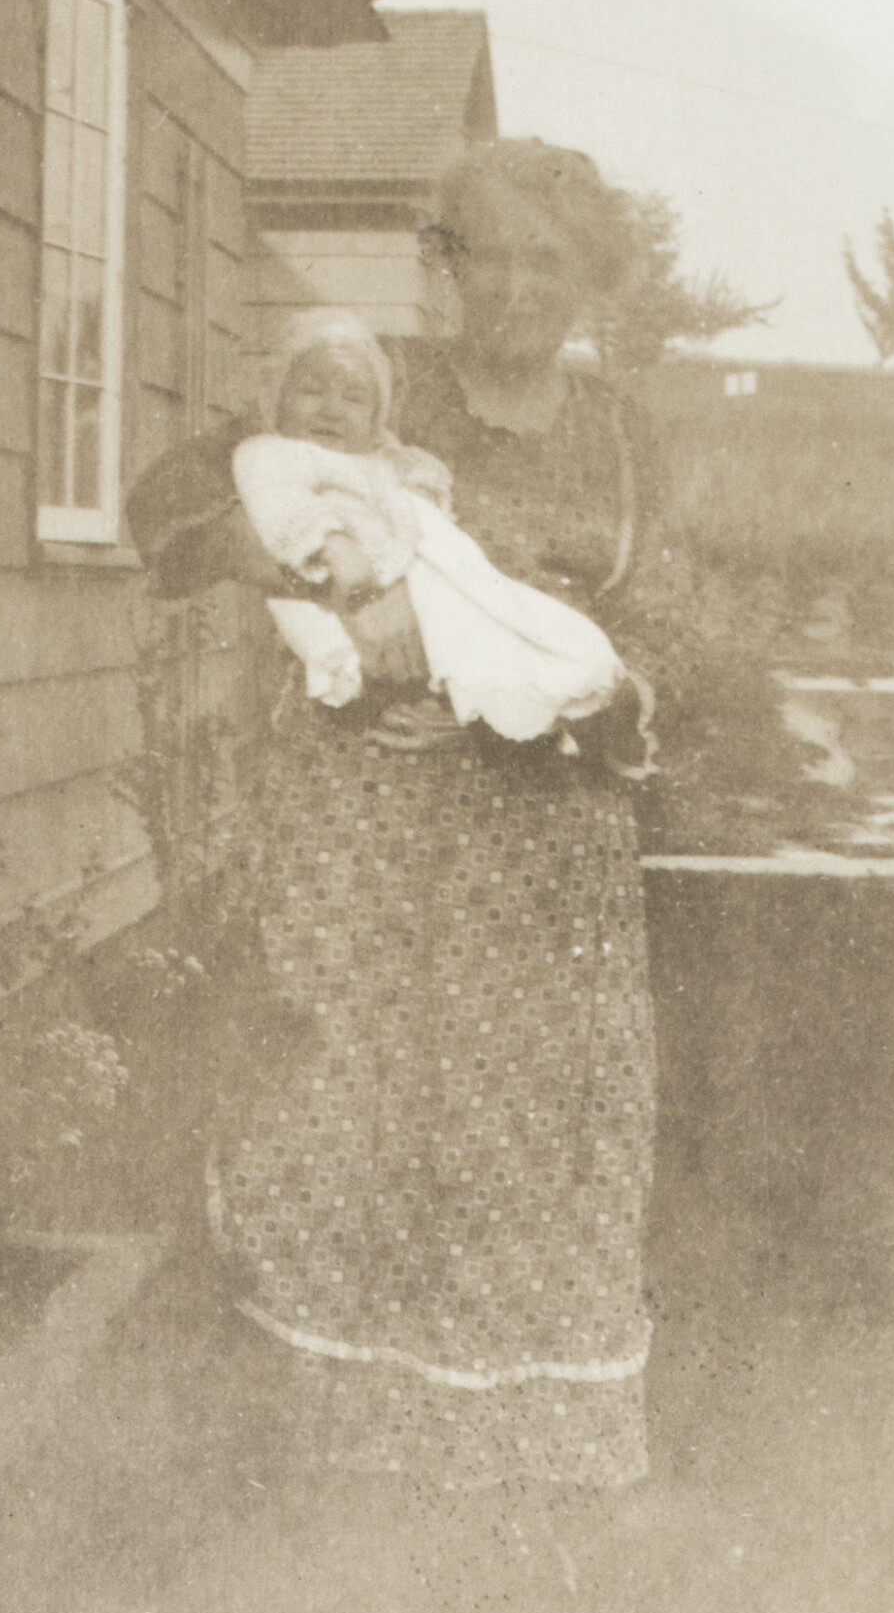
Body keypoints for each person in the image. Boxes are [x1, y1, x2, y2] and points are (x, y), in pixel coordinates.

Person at [126, 138, 661, 1494]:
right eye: (487, 253)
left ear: (592, 279)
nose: (520, 286)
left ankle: (526, 1460)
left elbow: (684, 637)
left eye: (553, 258)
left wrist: (585, 684)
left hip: (546, 853)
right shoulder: (369, 379)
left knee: (535, 1131)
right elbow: (169, 507)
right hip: (357, 837)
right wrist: (279, 548)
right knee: (336, 1110)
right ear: (445, 269)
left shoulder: (626, 438)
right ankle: (321, 1448)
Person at [237, 308, 649, 757]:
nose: (331, 408)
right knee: (470, 651)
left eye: (354, 398)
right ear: (277, 400)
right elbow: (277, 505)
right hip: (349, 598)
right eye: (311, 391)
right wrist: (336, 558)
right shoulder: (275, 454)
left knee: (524, 628)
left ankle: (570, 702)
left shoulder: (384, 462)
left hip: (430, 585)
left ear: (378, 418)